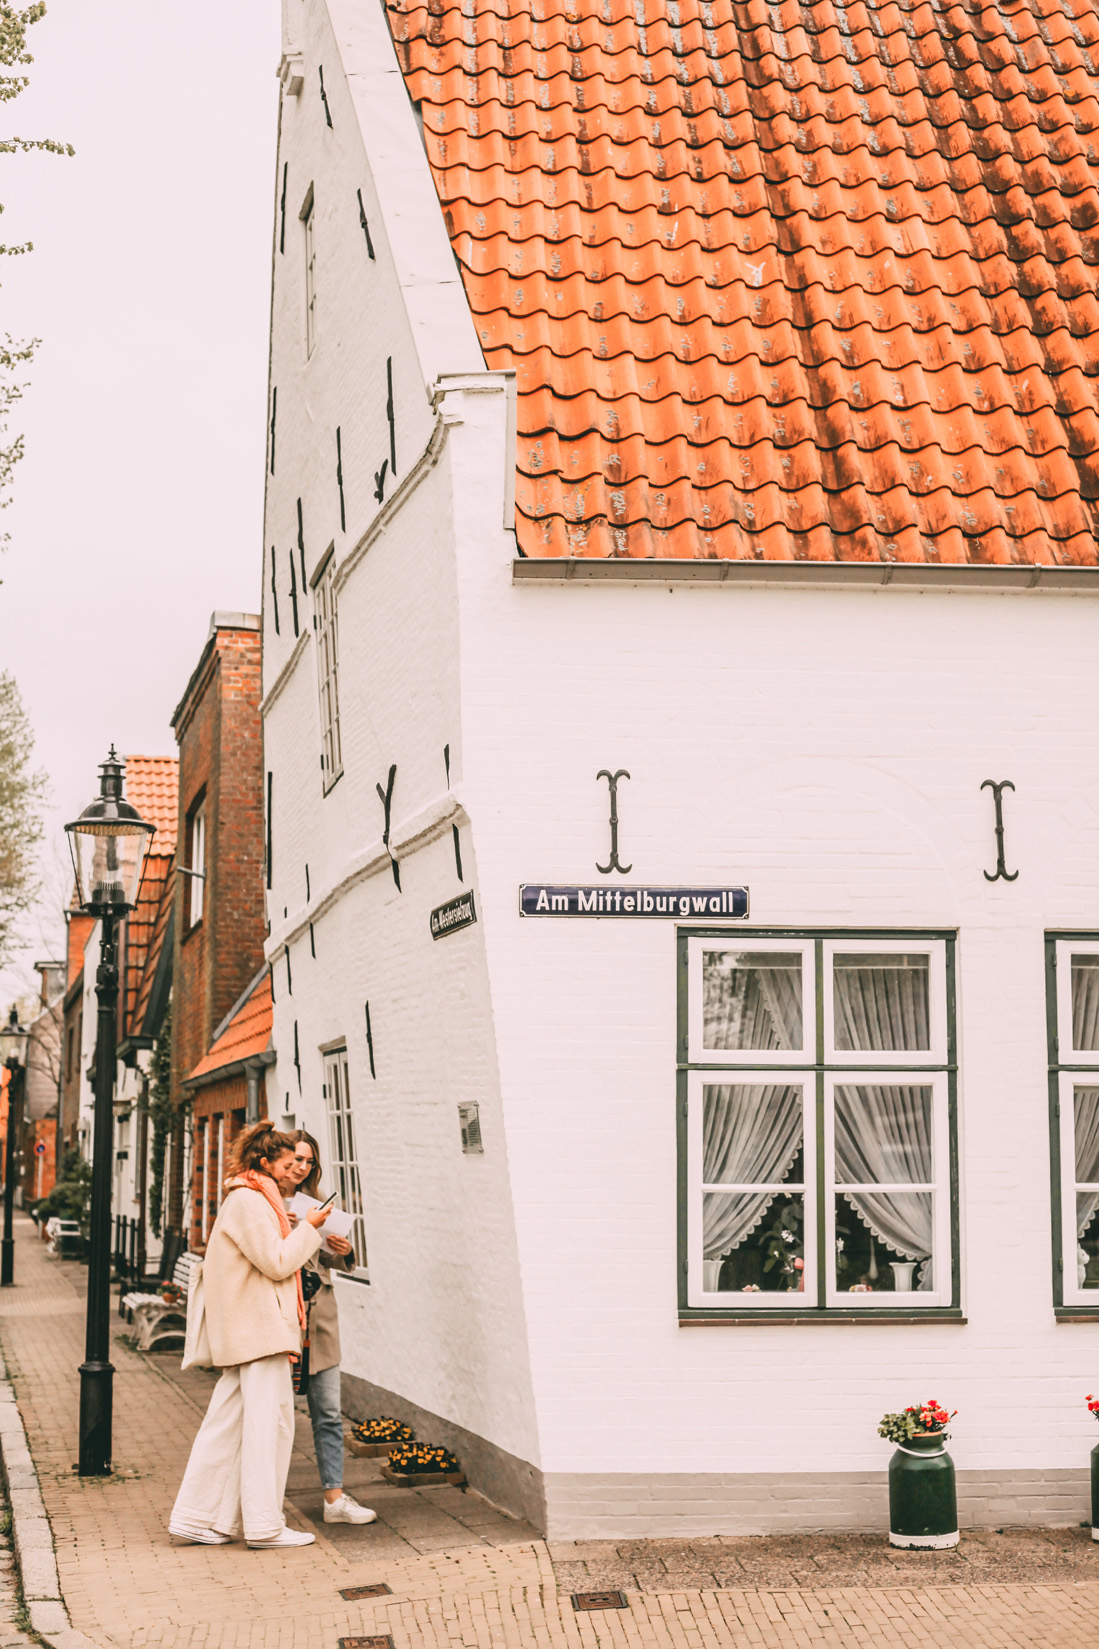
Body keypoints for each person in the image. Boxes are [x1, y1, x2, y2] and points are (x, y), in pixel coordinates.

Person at [169, 1121, 332, 1548]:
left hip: (249, 1329)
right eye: (286, 1163)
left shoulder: (253, 1199)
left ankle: (200, 1518)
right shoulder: (250, 1201)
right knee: (269, 1426)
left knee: (227, 1425)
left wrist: (295, 1225)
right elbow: (277, 1263)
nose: (292, 1171)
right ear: (265, 1163)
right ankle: (264, 1525)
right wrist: (310, 1229)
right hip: (259, 1330)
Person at [286, 1130, 376, 1524]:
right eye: (295, 1159)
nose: (301, 1167)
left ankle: (334, 1499)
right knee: (271, 1416)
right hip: (285, 1320)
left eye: (308, 1161)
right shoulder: (266, 1203)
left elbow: (325, 1262)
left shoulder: (315, 1202)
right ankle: (260, 1501)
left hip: (321, 1322)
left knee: (327, 1413)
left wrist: (344, 1251)